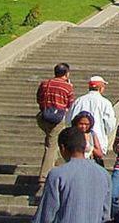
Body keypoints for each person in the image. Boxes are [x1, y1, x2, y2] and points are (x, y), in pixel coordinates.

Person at [32, 126, 111, 223]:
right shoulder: (104, 175)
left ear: (62, 148)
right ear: (85, 146)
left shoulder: (57, 174)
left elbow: (46, 214)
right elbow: (105, 215)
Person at [36, 63, 75, 197]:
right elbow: (70, 104)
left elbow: (39, 98)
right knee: (51, 146)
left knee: (54, 143)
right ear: (66, 73)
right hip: (56, 119)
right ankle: (44, 177)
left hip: (43, 117)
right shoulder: (67, 86)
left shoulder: (45, 83)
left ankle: (57, 168)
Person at [67, 75, 116, 159]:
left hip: (78, 139)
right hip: (98, 141)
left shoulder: (79, 101)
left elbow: (69, 120)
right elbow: (110, 124)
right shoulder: (105, 103)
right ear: (101, 88)